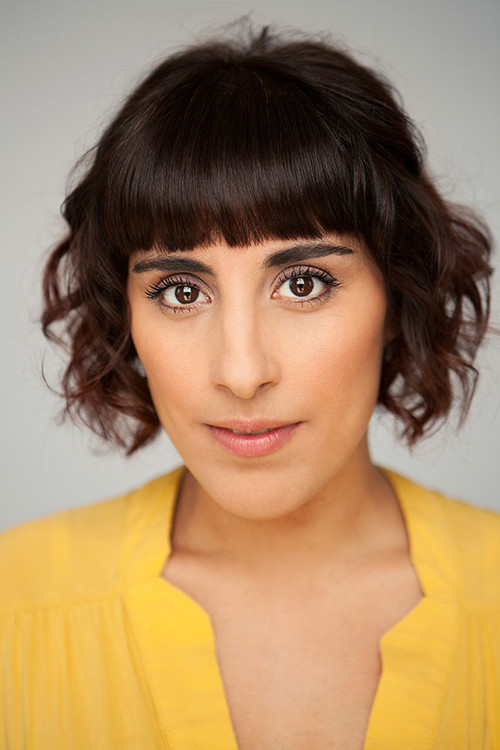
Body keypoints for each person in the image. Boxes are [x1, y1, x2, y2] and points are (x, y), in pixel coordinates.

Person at [0, 24, 498, 750]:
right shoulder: (16, 604)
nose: (240, 372)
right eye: (181, 291)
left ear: (398, 296)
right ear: (125, 314)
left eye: (303, 283)